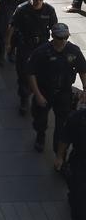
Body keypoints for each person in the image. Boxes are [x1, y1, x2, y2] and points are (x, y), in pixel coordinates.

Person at [28, 22, 86, 152]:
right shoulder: (42, 52)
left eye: (65, 37)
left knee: (62, 125)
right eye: (59, 38)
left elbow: (83, 70)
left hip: (63, 93)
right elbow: (31, 73)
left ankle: (59, 155)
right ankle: (40, 135)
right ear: (52, 36)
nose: (62, 41)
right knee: (39, 119)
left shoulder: (73, 51)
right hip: (44, 91)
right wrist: (37, 95)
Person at [5, 0, 57, 115]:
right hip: (26, 46)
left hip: (42, 45)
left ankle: (38, 92)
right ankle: (24, 98)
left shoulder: (49, 10)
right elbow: (12, 27)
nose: (37, 1)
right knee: (24, 73)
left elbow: (54, 28)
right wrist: (8, 43)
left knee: (43, 71)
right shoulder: (22, 9)